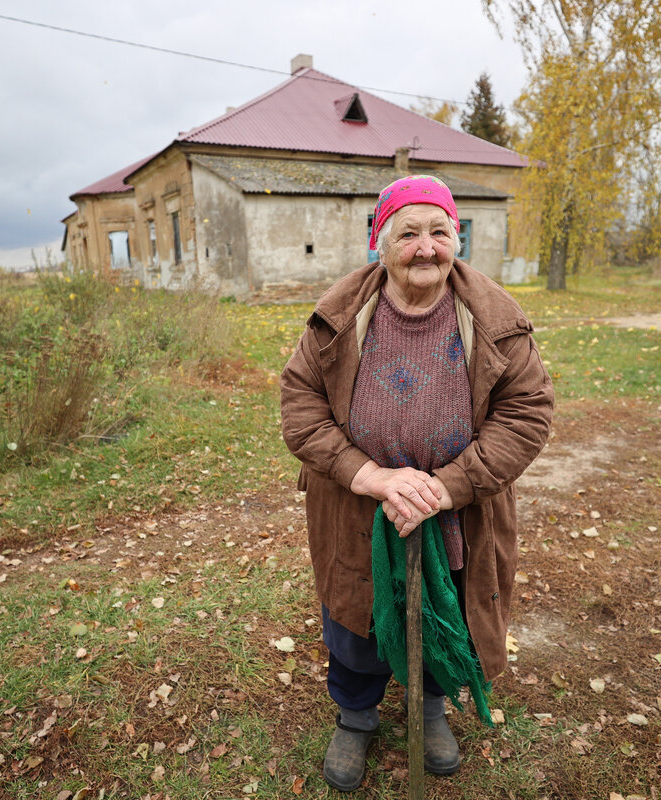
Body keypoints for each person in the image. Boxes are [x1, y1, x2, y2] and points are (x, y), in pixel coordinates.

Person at [280, 175, 555, 791]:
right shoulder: (338, 317)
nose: (425, 247)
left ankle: (430, 712)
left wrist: (447, 487)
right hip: (357, 509)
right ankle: (355, 719)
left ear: (456, 238)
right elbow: (300, 405)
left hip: (457, 511)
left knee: (443, 608)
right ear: (380, 239)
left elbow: (527, 412)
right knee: (356, 618)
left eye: (439, 232)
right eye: (408, 232)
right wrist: (370, 475)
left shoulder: (496, 321)